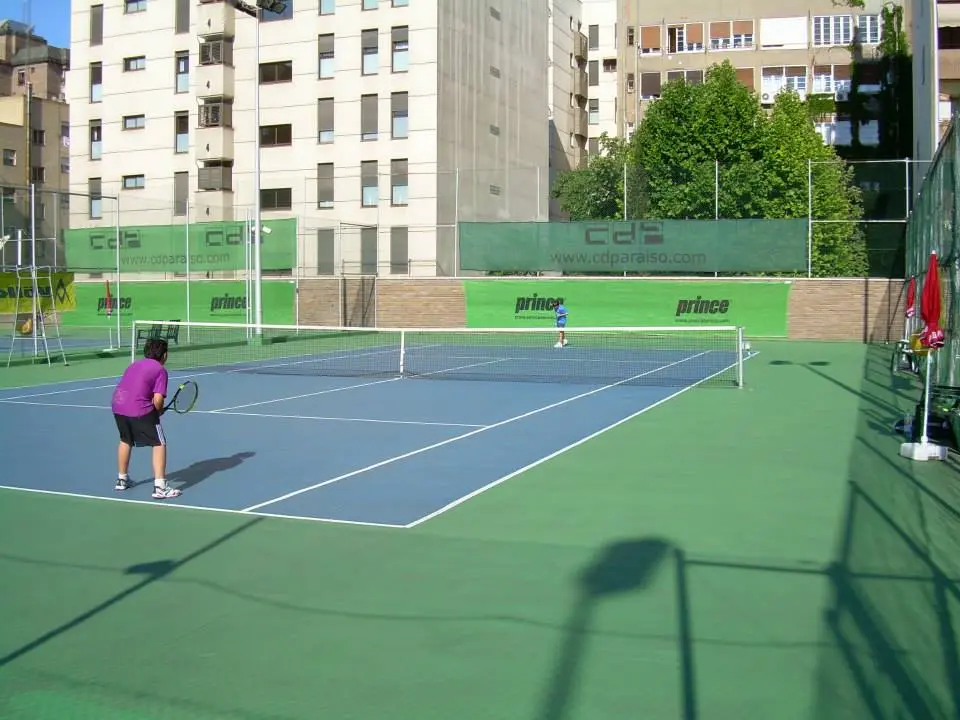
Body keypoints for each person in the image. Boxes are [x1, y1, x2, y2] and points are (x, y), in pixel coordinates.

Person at [111, 338, 181, 499]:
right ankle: (160, 487)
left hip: (118, 405)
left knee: (125, 439)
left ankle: (122, 480)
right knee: (159, 443)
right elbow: (157, 400)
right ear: (165, 355)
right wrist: (158, 410)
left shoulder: (134, 365)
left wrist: (154, 410)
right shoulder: (160, 370)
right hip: (139, 408)